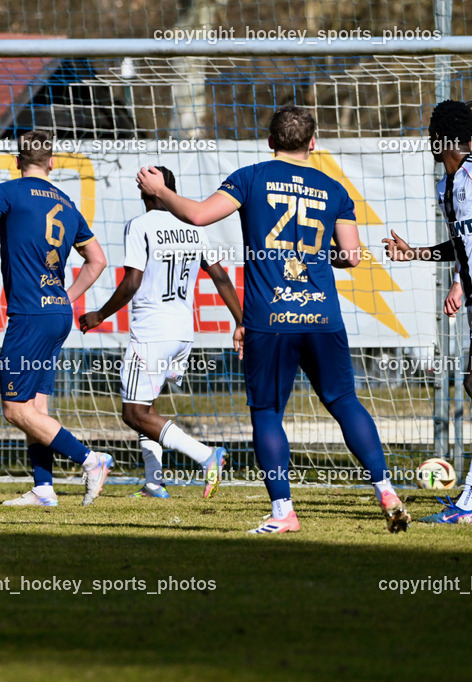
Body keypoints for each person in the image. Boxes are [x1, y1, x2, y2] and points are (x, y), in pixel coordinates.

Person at [137, 105, 410, 533]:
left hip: (270, 317)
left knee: (267, 412)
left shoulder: (250, 177)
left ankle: (284, 512)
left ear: (270, 142)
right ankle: (385, 489)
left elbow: (197, 215)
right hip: (322, 315)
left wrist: (160, 190)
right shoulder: (334, 189)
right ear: (313, 143)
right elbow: (352, 257)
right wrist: (317, 254)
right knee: (343, 402)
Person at [0, 130, 112, 507]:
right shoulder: (67, 203)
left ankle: (92, 460)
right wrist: (65, 297)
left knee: (14, 409)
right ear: (52, 162)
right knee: (36, 409)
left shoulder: (9, 191)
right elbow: (98, 261)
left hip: (30, 314)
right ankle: (44, 489)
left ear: (17, 161)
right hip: (57, 313)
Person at [79, 167, 242, 499]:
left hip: (152, 331)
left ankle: (206, 455)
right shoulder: (193, 226)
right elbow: (221, 278)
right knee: (146, 409)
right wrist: (241, 321)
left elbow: (132, 282)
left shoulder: (140, 225)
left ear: (148, 191)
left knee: (133, 413)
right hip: (183, 332)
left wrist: (99, 314)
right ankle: (154, 483)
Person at [382, 99, 472, 524]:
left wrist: (459, 283)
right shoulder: (446, 187)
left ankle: (469, 504)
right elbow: (460, 245)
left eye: (433, 134)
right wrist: (413, 252)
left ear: (442, 139)